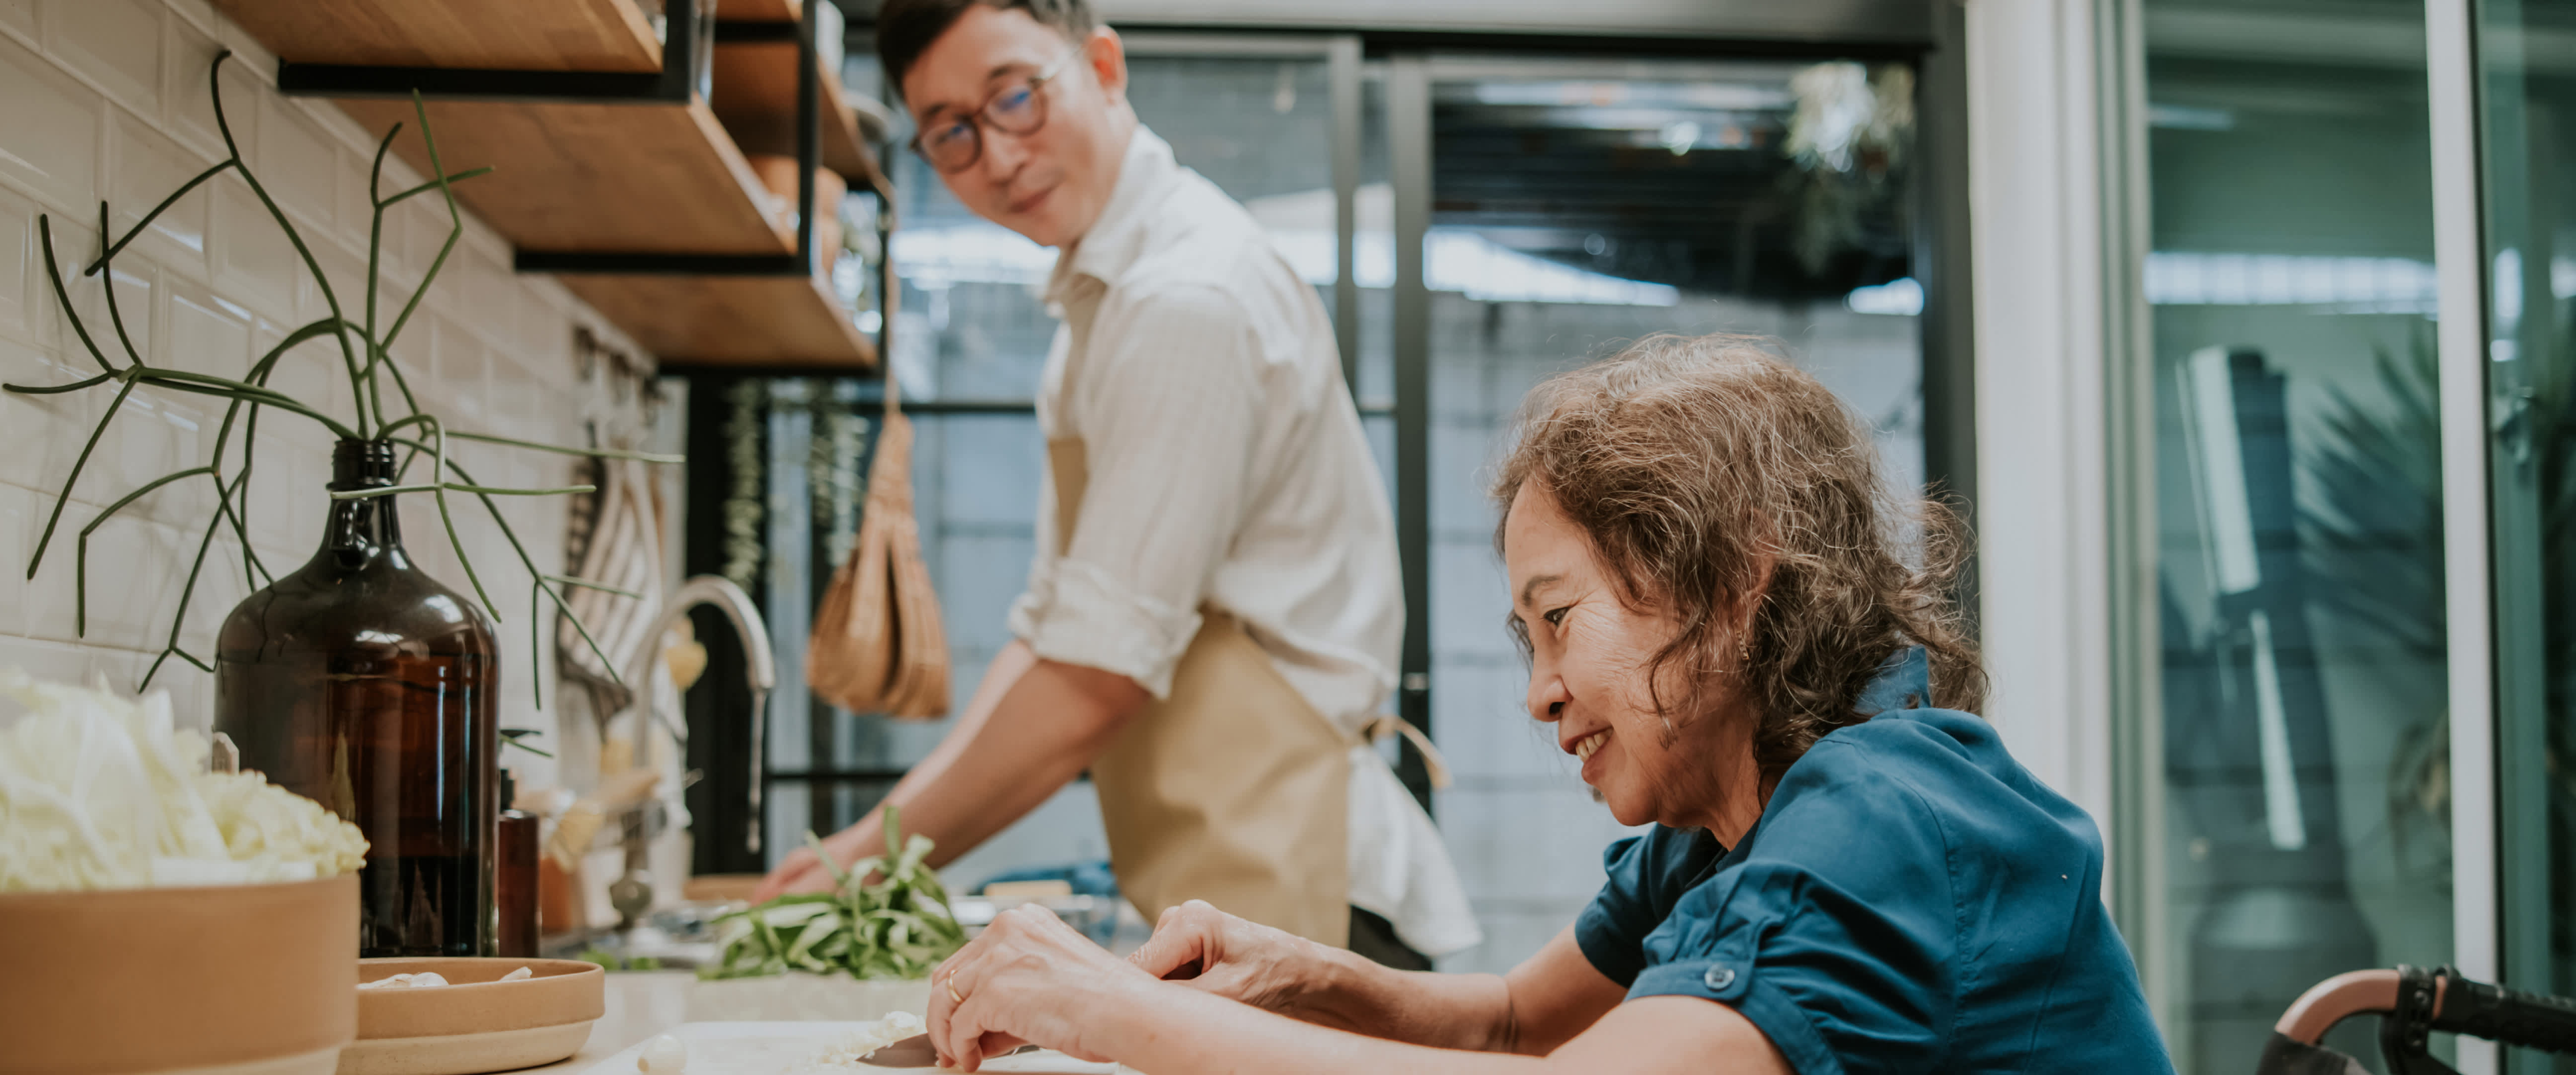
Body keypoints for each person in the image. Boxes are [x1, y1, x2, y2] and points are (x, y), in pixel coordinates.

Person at [913, 334, 2177, 1075]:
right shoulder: (1718, 832)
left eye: (1559, 620)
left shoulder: (1889, 816)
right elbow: (1514, 1022)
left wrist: (1108, 1009)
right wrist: (1311, 978)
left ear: (1733, 583)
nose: (1538, 694)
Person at [751, 0, 1479, 969]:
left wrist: (878, 859)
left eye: (1015, 97)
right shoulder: (1102, 306)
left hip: (1309, 890)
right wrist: (878, 841)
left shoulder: (1184, 299)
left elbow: (1096, 678)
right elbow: (1055, 625)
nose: (999, 156)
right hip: (1236, 879)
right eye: (953, 133)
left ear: (1101, 65)